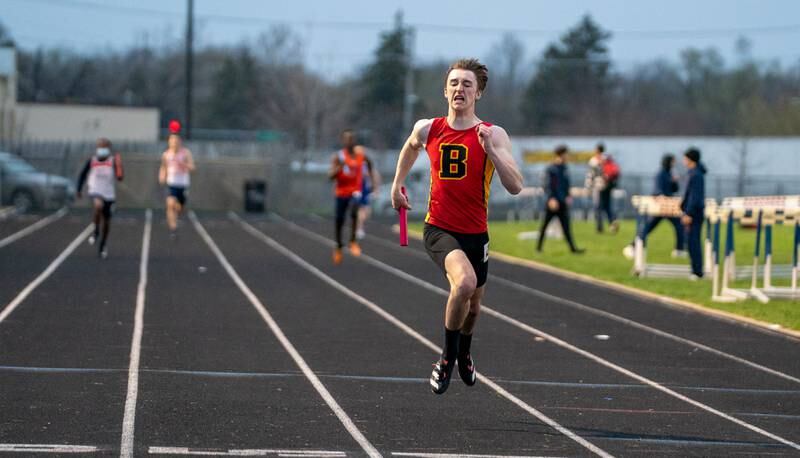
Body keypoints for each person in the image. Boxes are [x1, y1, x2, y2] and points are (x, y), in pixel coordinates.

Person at [391, 58, 523, 395]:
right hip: (439, 229)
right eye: (454, 83)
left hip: (476, 233)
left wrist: (490, 150)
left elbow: (515, 185)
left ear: (478, 92)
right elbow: (410, 146)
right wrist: (397, 186)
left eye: (466, 84)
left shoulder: (493, 134)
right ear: (444, 91)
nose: (459, 89)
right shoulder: (429, 128)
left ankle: (464, 352)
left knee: (474, 306)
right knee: (463, 284)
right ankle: (447, 358)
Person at [622, 153, 685, 259]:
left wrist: (674, 182)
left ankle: (679, 249)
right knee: (649, 227)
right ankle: (633, 246)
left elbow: (674, 189)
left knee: (678, 226)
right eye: (673, 161)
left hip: (668, 206)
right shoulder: (660, 174)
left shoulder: (669, 173)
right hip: (659, 207)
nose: (674, 164)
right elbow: (658, 190)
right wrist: (661, 197)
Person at [76, 138, 124, 259]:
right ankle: (96, 230)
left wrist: (119, 165)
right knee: (98, 206)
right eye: (100, 147)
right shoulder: (91, 161)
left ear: (108, 149)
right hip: (95, 191)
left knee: (107, 222)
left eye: (105, 147)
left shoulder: (112, 161)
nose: (102, 149)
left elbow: (120, 178)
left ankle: (103, 244)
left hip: (108, 194)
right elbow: (82, 174)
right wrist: (79, 189)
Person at [330, 129, 372, 264]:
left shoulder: (361, 156)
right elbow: (330, 176)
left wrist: (369, 178)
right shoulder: (339, 156)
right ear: (343, 141)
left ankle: (353, 241)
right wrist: (339, 168)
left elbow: (370, 164)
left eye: (352, 139)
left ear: (354, 141)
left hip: (355, 190)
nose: (350, 142)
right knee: (339, 220)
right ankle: (338, 246)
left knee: (355, 210)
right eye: (347, 139)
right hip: (341, 192)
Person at [537, 145, 584, 254]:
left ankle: (573, 249)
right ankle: (538, 248)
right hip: (553, 202)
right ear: (561, 154)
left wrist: (568, 196)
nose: (567, 156)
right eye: (566, 154)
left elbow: (566, 184)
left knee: (566, 226)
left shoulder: (565, 168)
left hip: (562, 201)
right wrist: (551, 199)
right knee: (545, 225)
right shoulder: (551, 169)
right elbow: (548, 185)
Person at [158, 133, 195, 238]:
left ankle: (177, 215)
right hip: (172, 183)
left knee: (180, 207)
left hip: (183, 184)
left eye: (176, 140)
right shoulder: (166, 154)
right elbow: (163, 167)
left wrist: (184, 165)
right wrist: (162, 176)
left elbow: (193, 167)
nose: (174, 142)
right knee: (170, 204)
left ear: (180, 142)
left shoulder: (186, 153)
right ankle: (173, 228)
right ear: (169, 142)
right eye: (172, 140)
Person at [680, 147, 707, 280]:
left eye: (685, 158)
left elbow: (694, 197)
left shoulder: (696, 174)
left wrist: (688, 213)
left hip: (694, 213)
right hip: (691, 211)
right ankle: (695, 270)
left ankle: (697, 271)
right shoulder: (693, 173)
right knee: (690, 242)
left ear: (690, 159)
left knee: (693, 242)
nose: (683, 160)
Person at [355, 152, 380, 240]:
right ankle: (359, 228)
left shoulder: (370, 169)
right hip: (361, 191)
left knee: (367, 213)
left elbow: (376, 178)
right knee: (361, 211)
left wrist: (376, 190)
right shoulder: (358, 167)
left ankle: (360, 226)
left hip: (366, 191)